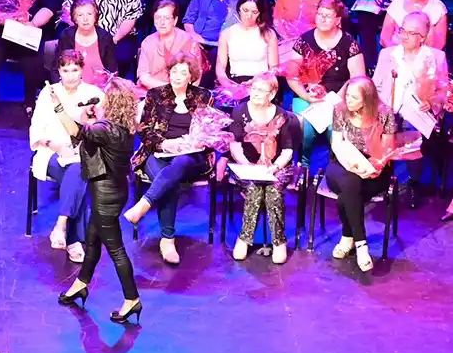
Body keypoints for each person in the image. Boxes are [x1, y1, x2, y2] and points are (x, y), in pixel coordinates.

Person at [55, 77, 142, 323]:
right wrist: (91, 116)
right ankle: (80, 285)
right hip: (112, 191)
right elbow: (92, 136)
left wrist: (59, 106)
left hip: (105, 196)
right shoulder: (120, 127)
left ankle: (132, 299)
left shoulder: (107, 129)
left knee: (116, 250)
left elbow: (77, 132)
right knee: (92, 241)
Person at [125, 52, 213, 265]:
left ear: (191, 76)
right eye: (174, 71)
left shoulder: (203, 96)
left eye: (183, 73)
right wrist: (165, 144)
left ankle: (144, 205)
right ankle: (167, 240)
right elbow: (144, 130)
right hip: (158, 151)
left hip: (191, 156)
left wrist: (195, 141)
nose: (177, 76)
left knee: (180, 163)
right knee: (168, 180)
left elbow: (210, 130)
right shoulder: (155, 95)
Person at [30, 49, 102, 263]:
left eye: (74, 69)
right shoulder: (48, 92)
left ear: (82, 70)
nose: (70, 75)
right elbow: (36, 129)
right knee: (79, 174)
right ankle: (74, 240)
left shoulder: (94, 93)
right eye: (65, 70)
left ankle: (61, 226)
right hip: (50, 153)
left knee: (79, 169)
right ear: (58, 71)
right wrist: (55, 145)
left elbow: (99, 130)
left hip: (83, 154)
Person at [372, 11, 448, 209]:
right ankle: (381, 180)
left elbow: (443, 91)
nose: (404, 35)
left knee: (411, 126)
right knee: (381, 125)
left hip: (417, 113)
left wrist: (431, 103)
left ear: (422, 37)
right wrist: (380, 107)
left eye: (411, 33)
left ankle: (414, 181)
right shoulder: (388, 54)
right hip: (388, 108)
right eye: (402, 30)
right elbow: (375, 86)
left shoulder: (436, 58)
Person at [227, 72, 300, 263]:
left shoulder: (281, 115)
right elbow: (234, 144)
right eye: (254, 88)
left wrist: (274, 167)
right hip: (246, 165)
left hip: (275, 167)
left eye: (261, 90)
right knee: (253, 189)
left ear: (272, 94)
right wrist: (246, 165)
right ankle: (244, 238)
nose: (255, 93)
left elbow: (287, 151)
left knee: (273, 192)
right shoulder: (239, 111)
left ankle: (279, 242)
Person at [325, 76, 397, 272]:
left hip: (375, 166)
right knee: (350, 182)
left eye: (354, 97)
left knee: (346, 196)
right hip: (342, 162)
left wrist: (374, 166)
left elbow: (388, 148)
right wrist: (351, 164)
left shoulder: (385, 114)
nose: (348, 100)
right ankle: (361, 244)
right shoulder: (340, 109)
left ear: (367, 99)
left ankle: (348, 236)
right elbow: (337, 143)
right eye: (347, 95)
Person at [286, 0, 365, 167]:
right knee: (304, 128)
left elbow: (358, 79)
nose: (322, 18)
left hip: (338, 97)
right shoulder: (304, 40)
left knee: (334, 129)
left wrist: (335, 100)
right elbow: (291, 75)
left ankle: (334, 170)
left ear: (337, 20)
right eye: (320, 14)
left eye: (328, 15)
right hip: (306, 95)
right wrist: (306, 96)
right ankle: (302, 167)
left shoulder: (349, 43)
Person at [183, 0, 249, 87]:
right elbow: (188, 19)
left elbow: (250, 23)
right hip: (200, 41)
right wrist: (194, 36)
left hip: (229, 44)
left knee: (214, 56)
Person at [215, 0, 279, 93]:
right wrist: (224, 80)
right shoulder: (227, 33)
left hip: (261, 84)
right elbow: (221, 64)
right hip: (235, 83)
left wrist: (259, 80)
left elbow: (274, 67)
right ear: (239, 8)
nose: (249, 16)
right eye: (245, 10)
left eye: (254, 12)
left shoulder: (268, 34)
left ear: (259, 13)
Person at [137, 0, 203, 97]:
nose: (161, 22)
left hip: (182, 93)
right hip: (153, 91)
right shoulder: (148, 42)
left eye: (167, 18)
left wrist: (179, 93)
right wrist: (168, 89)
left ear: (175, 20)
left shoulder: (187, 41)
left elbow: (195, 78)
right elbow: (144, 77)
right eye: (158, 17)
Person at [51, 0, 117, 87]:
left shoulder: (105, 37)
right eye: (80, 15)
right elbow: (56, 68)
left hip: (99, 90)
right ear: (75, 18)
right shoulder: (67, 36)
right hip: (71, 89)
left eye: (89, 14)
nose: (85, 19)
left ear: (95, 16)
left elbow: (112, 72)